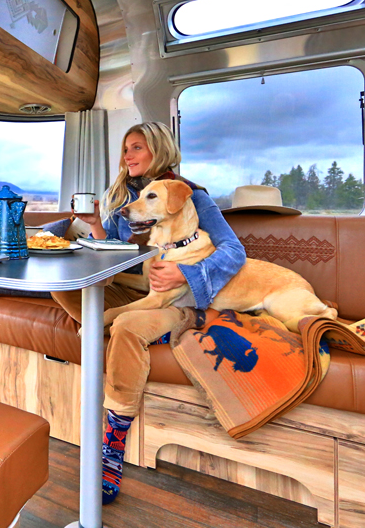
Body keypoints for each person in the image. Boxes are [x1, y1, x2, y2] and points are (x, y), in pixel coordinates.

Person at [51, 121, 246, 505]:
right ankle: (129, 328)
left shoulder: (194, 197)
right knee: (66, 288)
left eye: (136, 147)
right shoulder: (126, 199)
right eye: (125, 149)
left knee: (125, 325)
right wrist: (96, 228)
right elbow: (114, 259)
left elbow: (233, 251)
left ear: (158, 150)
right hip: (138, 290)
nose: (127, 156)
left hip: (180, 299)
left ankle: (113, 444)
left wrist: (185, 271)